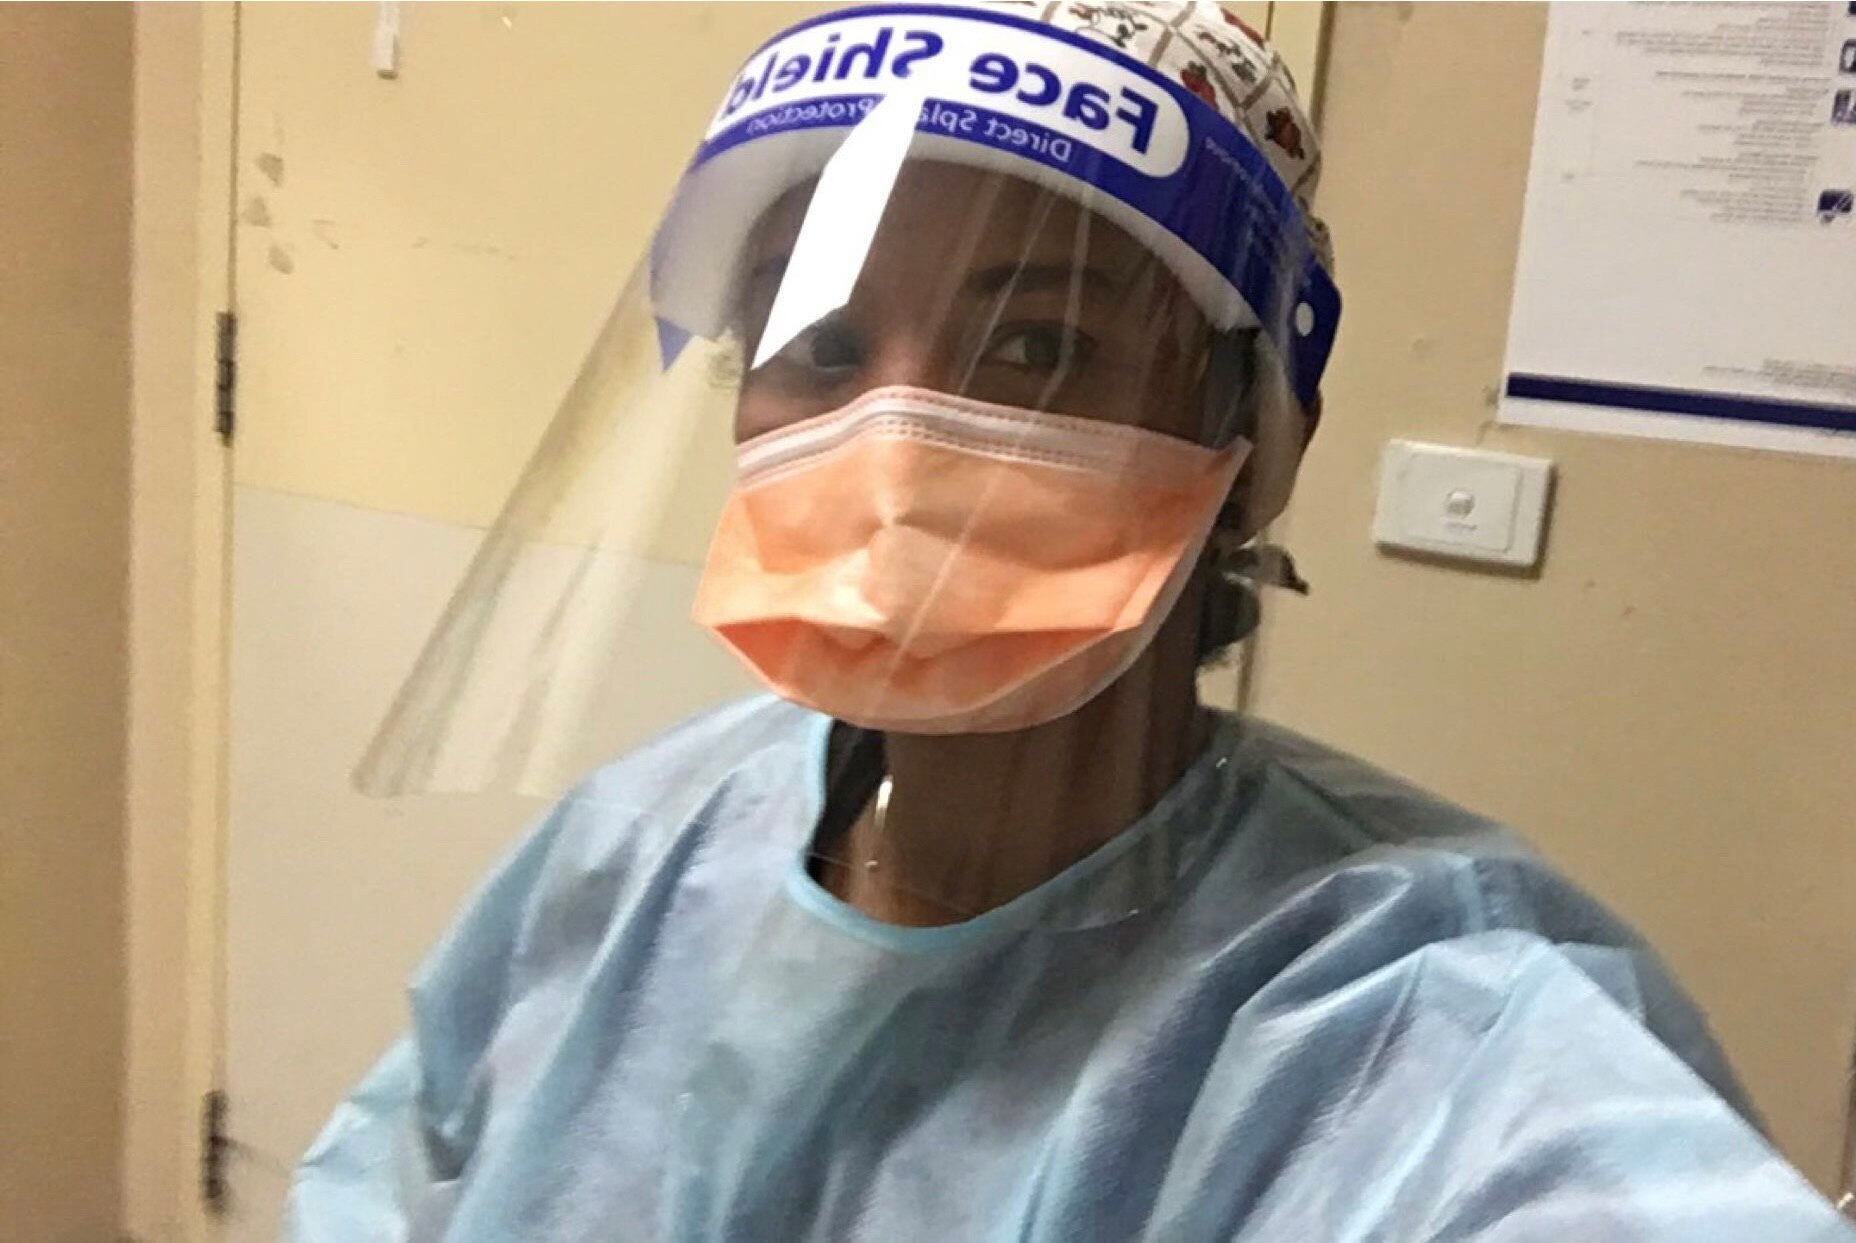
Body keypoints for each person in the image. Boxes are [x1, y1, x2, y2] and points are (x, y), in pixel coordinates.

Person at [289, 3, 1855, 1239]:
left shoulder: (1417, 1018)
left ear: (1250, 444)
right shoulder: (641, 852)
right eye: (819, 344)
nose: (894, 450)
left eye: (1037, 345)